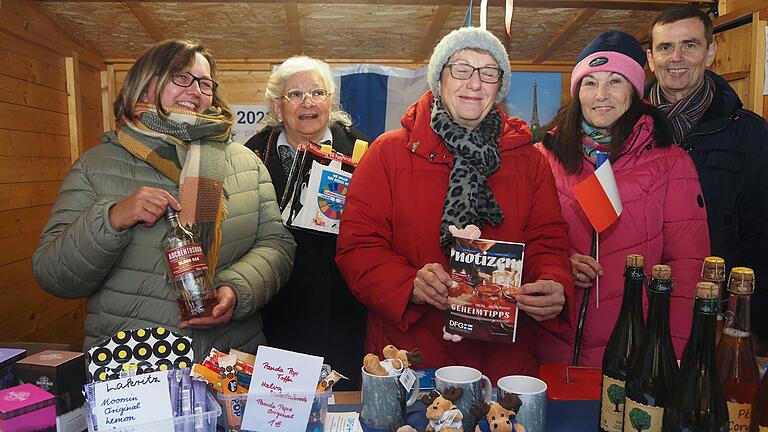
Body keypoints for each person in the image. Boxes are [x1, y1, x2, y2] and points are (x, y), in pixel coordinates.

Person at [335, 27, 575, 381]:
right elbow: (358, 246)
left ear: (500, 86)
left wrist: (553, 282)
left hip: (503, 362)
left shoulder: (529, 161)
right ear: (439, 79)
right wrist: (408, 284)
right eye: (461, 68)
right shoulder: (387, 154)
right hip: (413, 356)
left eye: (488, 72)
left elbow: (548, 239)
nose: (475, 83)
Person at [32, 39, 296, 360]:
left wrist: (237, 291)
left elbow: (276, 245)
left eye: (204, 83)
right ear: (145, 86)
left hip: (230, 356)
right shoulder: (97, 164)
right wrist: (112, 218)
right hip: (134, 365)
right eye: (180, 77)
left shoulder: (246, 163)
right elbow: (54, 275)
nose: (195, 90)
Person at [533, 30, 710, 366]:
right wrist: (557, 264)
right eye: (589, 82)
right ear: (577, 92)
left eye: (615, 81)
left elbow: (687, 272)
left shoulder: (671, 163)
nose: (601, 95)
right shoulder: (543, 157)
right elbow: (516, 243)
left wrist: (670, 361)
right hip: (545, 349)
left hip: (629, 352)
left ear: (634, 90)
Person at [244, 56, 369, 389]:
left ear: (331, 101)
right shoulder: (249, 155)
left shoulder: (364, 152)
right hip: (277, 311)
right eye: (295, 94)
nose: (308, 102)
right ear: (277, 105)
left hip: (344, 311)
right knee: (282, 408)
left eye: (318, 92)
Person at [645, 5, 768, 340]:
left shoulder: (750, 135)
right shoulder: (626, 131)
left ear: (711, 52)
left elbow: (762, 237)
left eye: (690, 45)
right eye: (665, 47)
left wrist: (748, 325)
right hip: (641, 308)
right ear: (651, 58)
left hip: (719, 317)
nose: (676, 58)